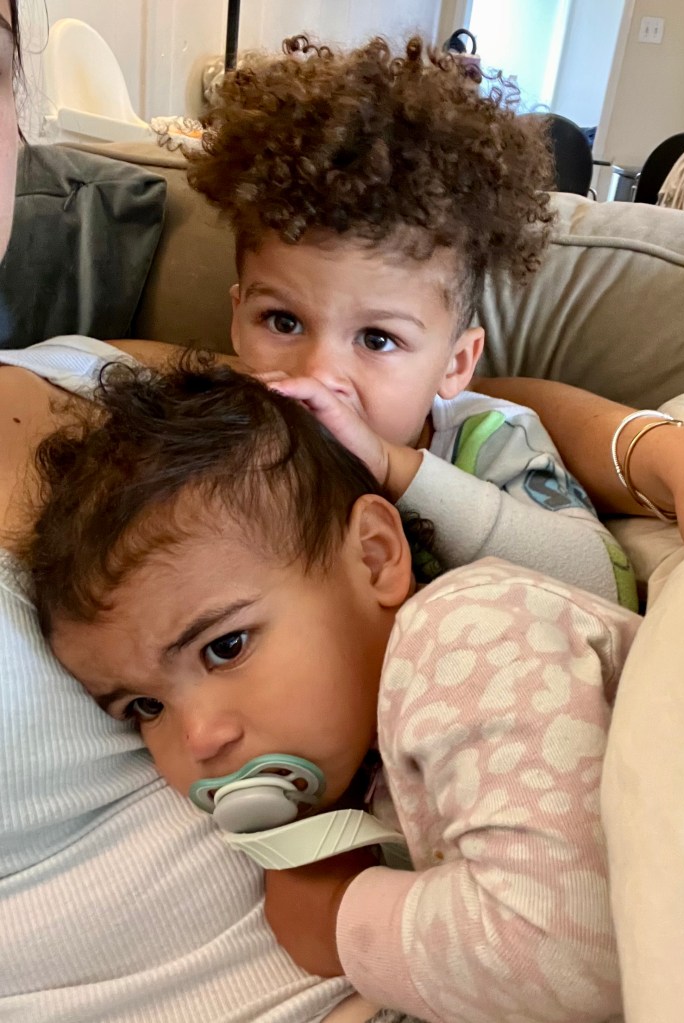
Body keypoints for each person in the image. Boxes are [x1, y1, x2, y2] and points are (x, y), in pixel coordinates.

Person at [21, 356, 640, 1023]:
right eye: (145, 707)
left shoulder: (469, 632)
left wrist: (343, 918)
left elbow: (574, 952)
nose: (200, 739)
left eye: (225, 647)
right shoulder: (367, 750)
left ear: (374, 557)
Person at [0, 5, 374, 1021]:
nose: (199, 741)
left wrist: (648, 448)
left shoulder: (101, 377)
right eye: (140, 708)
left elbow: (404, 408)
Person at [186, 36, 637, 610]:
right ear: (237, 319)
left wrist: (393, 467)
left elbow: (608, 584)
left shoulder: (491, 443)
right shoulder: (223, 425)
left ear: (456, 364)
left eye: (377, 339)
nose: (318, 374)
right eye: (282, 321)